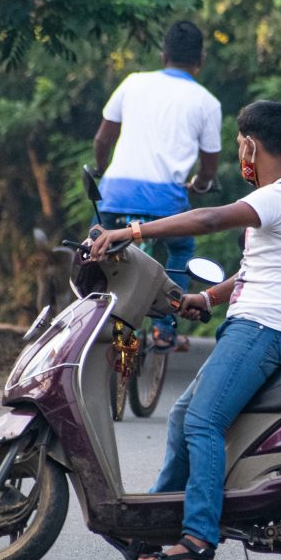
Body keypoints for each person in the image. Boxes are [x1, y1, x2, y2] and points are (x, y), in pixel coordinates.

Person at [90, 100, 281, 560]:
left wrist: (133, 231)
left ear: (250, 146)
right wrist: (208, 297)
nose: (240, 156)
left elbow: (210, 219)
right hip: (261, 324)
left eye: (239, 145)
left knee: (203, 421)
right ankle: (153, 525)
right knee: (181, 417)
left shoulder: (277, 196)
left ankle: (198, 541)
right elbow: (263, 269)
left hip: (265, 328)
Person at [92, 20, 222, 351]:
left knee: (96, 247)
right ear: (201, 60)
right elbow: (209, 167)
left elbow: (102, 140)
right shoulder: (207, 102)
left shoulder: (132, 83)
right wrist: (200, 185)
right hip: (166, 203)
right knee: (180, 249)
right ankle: (165, 327)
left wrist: (102, 170)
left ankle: (90, 315)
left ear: (163, 56)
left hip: (115, 196)